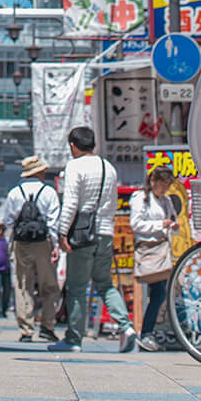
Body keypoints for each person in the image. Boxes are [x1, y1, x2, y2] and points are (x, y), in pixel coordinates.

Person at [50, 126, 135, 354]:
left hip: (81, 234)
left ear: (73, 146)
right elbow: (113, 203)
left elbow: (70, 204)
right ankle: (126, 328)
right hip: (106, 232)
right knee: (105, 283)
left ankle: (74, 339)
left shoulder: (74, 167)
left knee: (77, 286)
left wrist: (62, 233)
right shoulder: (109, 167)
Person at [3, 154, 60, 342]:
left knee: (22, 284)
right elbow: (54, 221)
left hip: (22, 244)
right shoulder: (49, 191)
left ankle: (26, 329)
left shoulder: (14, 192)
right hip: (43, 242)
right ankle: (47, 325)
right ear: (41, 172)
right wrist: (56, 245)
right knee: (49, 285)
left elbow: (8, 221)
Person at [130, 165, 178, 351]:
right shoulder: (141, 198)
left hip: (162, 249)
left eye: (167, 185)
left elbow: (173, 221)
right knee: (158, 292)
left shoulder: (166, 201)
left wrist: (172, 226)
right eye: (162, 184)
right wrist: (160, 225)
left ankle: (150, 331)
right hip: (148, 250)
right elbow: (136, 224)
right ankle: (147, 332)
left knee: (160, 293)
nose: (164, 189)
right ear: (153, 181)